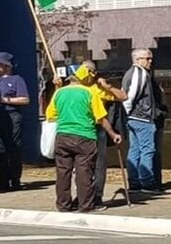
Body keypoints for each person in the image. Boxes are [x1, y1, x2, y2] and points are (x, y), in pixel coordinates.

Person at [45, 64, 122, 212]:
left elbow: (50, 115)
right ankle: (86, 205)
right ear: (86, 77)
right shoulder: (89, 93)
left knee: (63, 172)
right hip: (85, 136)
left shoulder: (59, 93)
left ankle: (63, 205)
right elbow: (101, 118)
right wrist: (113, 134)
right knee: (84, 172)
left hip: (63, 136)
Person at [82, 61, 127, 207]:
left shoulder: (98, 88)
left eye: (90, 71)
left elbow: (123, 96)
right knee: (81, 165)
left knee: (99, 164)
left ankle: (97, 195)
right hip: (80, 129)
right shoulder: (75, 87)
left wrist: (108, 87)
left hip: (98, 127)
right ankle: (82, 195)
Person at [0, 52, 29, 193]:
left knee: (13, 148)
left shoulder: (17, 80)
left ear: (6, 66)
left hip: (11, 115)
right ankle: (2, 181)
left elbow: (25, 99)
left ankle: (15, 180)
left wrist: (5, 100)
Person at [121, 48, 160, 194]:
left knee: (134, 150)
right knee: (147, 150)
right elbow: (130, 95)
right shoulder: (139, 72)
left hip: (133, 117)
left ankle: (134, 182)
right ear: (138, 60)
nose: (150, 61)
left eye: (150, 58)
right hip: (141, 117)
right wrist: (129, 111)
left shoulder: (130, 73)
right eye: (147, 58)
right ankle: (147, 182)